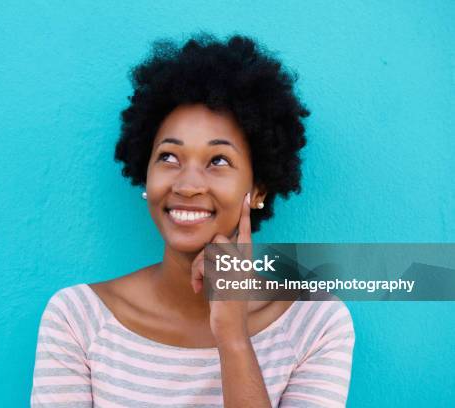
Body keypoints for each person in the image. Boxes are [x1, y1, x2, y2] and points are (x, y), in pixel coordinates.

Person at [31, 33, 355, 407]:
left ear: (259, 189)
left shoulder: (315, 324)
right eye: (169, 157)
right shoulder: (78, 319)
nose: (186, 185)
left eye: (218, 161)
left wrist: (233, 337)